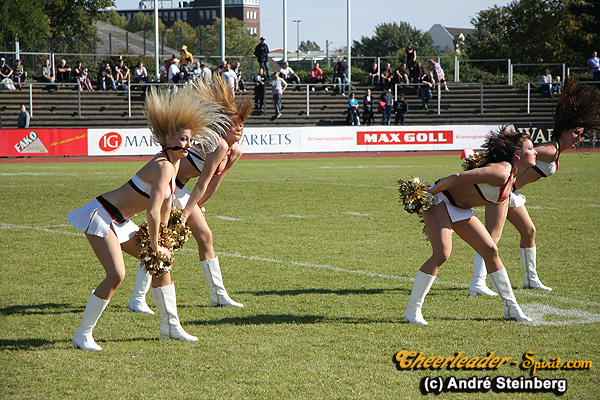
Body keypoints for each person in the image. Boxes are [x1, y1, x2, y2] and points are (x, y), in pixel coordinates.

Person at [67, 85, 224, 350]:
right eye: (184, 139)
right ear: (168, 138)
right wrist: (154, 244)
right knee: (116, 274)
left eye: (190, 140)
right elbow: (152, 210)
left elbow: (165, 206)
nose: (189, 145)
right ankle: (83, 334)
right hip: (102, 215)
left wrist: (163, 239)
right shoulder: (163, 166)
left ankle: (170, 327)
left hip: (119, 221)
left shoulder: (173, 164)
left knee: (162, 265)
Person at [128, 76, 254, 313]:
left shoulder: (235, 151)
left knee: (203, 236)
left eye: (242, 124)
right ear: (223, 126)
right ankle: (138, 298)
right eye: (235, 124)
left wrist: (196, 209)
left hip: (182, 190)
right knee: (163, 239)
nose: (240, 128)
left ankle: (218, 294)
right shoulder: (219, 146)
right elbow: (201, 184)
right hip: (170, 185)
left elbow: (213, 185)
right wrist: (185, 215)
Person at [468, 78, 600, 297]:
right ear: (564, 131)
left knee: (528, 231)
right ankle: (478, 282)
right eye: (576, 133)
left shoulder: (555, 151)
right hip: (505, 190)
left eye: (581, 134)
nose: (578, 138)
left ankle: (530, 278)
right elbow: (522, 153)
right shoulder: (549, 149)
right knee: (492, 236)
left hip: (512, 192)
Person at [404, 128, 537, 325]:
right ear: (517, 154)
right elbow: (458, 177)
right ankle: (412, 310)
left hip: (461, 208)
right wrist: (426, 194)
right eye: (531, 148)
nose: (535, 152)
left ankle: (511, 308)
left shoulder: (511, 177)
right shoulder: (501, 172)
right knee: (442, 253)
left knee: (490, 250)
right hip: (440, 199)